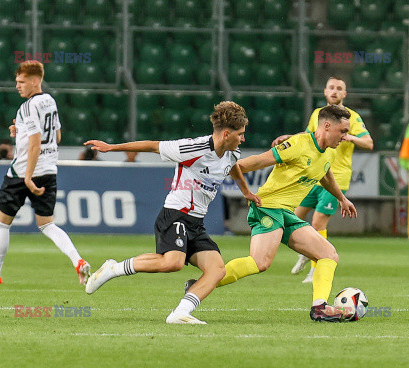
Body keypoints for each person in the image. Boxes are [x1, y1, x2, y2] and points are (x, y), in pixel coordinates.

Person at [83, 101, 261, 324]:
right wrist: (112, 147)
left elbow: (232, 167)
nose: (243, 138)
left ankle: (180, 313)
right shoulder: (192, 148)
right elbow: (152, 145)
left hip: (196, 222)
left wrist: (246, 191)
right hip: (176, 213)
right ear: (226, 134)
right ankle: (114, 268)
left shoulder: (231, 153)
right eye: (241, 134)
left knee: (217, 270)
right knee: (172, 263)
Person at [187, 105, 357, 322]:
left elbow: (324, 173)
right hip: (267, 206)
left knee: (328, 254)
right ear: (326, 126)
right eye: (343, 131)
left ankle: (320, 308)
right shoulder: (298, 144)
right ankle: (199, 286)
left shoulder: (329, 152)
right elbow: (260, 160)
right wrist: (224, 169)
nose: (346, 136)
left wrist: (342, 198)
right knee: (260, 262)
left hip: (286, 213)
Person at [0, 61, 91, 285]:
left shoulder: (27, 107)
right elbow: (56, 138)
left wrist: (27, 177)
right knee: (47, 224)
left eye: (21, 82)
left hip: (22, 173)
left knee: (2, 223)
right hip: (48, 170)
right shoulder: (50, 101)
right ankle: (78, 261)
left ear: (34, 81)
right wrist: (20, 131)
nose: (17, 86)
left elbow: (36, 144)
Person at [272, 76, 373, 283]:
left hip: (336, 178)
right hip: (314, 175)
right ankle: (306, 252)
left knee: (318, 223)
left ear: (344, 94)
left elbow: (368, 143)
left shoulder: (350, 117)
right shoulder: (318, 114)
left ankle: (316, 268)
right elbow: (310, 137)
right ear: (325, 92)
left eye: (339, 88)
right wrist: (290, 138)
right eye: (331, 88)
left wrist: (350, 137)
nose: (334, 91)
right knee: (290, 219)